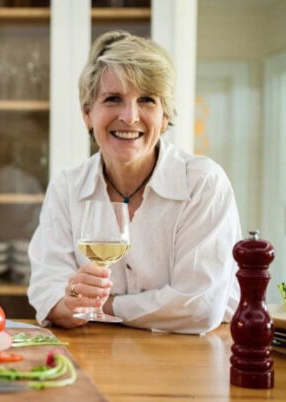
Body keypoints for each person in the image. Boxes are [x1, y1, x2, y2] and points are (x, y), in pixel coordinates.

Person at [27, 31, 241, 335]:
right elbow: (47, 291)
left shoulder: (203, 183)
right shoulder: (67, 187)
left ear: (165, 116)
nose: (129, 116)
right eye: (113, 99)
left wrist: (101, 306)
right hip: (95, 355)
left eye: (146, 100)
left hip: (195, 358)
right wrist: (71, 304)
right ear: (88, 113)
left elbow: (198, 306)